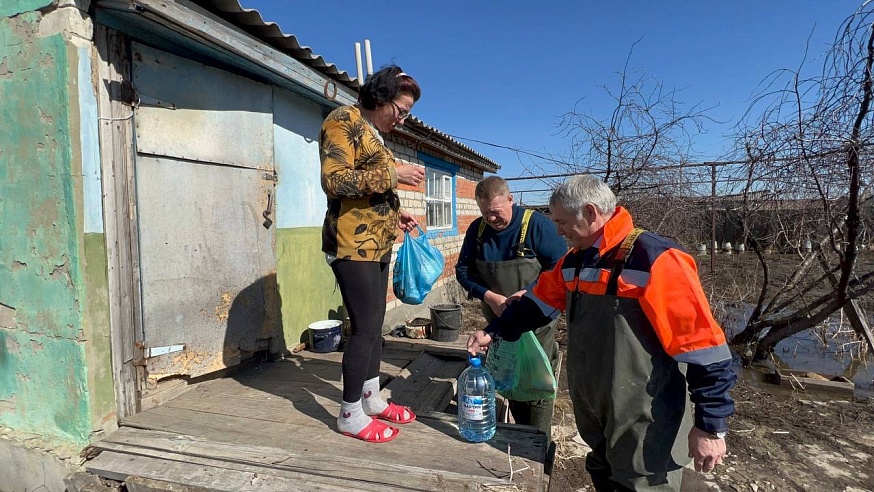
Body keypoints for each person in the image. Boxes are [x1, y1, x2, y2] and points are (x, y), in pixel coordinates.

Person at [467, 175, 736, 491]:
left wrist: (709, 427)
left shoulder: (656, 260)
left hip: (645, 421)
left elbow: (704, 348)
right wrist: (493, 331)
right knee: (603, 474)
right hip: (598, 414)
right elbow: (535, 305)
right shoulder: (574, 262)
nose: (558, 231)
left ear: (591, 213)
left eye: (563, 222)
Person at [320, 65, 425, 443]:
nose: (402, 119)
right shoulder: (342, 121)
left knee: (375, 327)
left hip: (378, 243)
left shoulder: (374, 134)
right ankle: (349, 414)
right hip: (352, 242)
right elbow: (334, 180)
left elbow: (370, 191)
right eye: (401, 110)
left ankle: (371, 398)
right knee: (364, 329)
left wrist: (397, 212)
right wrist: (394, 176)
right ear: (380, 98)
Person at [455, 176, 568, 439]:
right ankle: (516, 434)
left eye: (496, 212)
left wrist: (529, 292)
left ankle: (539, 440)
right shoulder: (478, 231)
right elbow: (463, 271)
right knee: (508, 379)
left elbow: (560, 268)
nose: (491, 219)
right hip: (498, 325)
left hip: (535, 323)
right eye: (485, 214)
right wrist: (489, 296)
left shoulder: (536, 226)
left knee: (537, 384)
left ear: (510, 199)